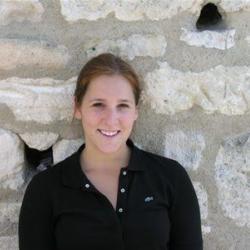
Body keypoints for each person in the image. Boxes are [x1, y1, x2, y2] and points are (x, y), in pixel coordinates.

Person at [18, 53, 203, 250]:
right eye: (98, 104)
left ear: (135, 111)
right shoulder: (46, 190)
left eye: (122, 106)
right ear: (78, 107)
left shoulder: (171, 178)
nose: (111, 119)